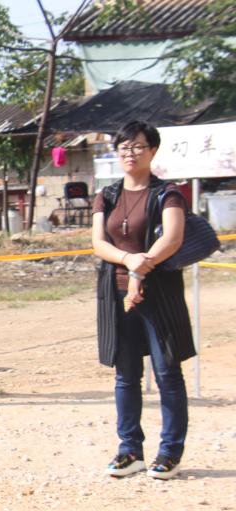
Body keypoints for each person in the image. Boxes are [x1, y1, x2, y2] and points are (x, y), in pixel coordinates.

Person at [92, 120, 193, 480]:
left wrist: (140, 270)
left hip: (158, 293)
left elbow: (173, 238)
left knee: (167, 373)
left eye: (137, 146)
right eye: (124, 147)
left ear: (152, 150)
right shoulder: (107, 195)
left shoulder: (168, 193)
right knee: (126, 375)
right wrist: (127, 260)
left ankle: (169, 453)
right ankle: (129, 450)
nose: (130, 153)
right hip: (116, 295)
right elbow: (99, 243)